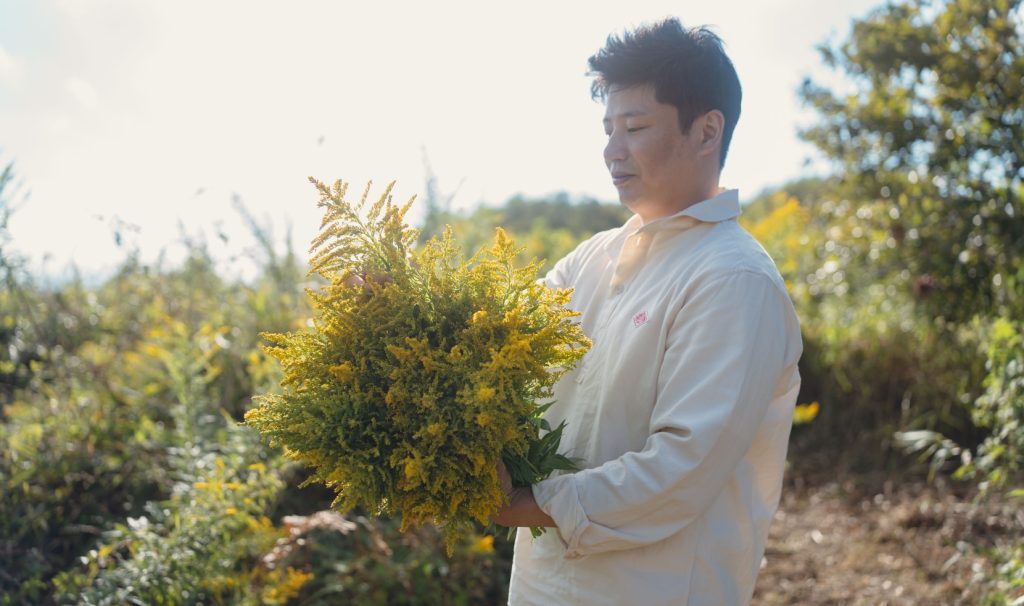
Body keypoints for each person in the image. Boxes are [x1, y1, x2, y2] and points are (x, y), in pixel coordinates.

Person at [491, 18, 804, 605]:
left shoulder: (733, 279)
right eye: (608, 128)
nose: (612, 151)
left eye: (634, 127)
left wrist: (526, 504)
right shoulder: (594, 258)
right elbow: (500, 338)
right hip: (543, 585)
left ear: (707, 131)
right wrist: (408, 312)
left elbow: (679, 469)